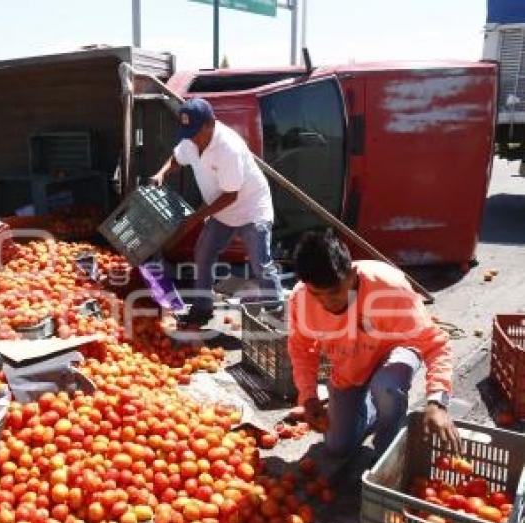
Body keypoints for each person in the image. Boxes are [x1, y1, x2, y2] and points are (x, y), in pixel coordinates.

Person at [287, 230, 459, 461]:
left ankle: (387, 451)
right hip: (351, 367)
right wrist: (308, 397)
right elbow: (301, 348)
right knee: (337, 448)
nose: (327, 302)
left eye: (335, 292)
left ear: (353, 273)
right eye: (317, 294)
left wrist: (437, 401)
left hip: (397, 349)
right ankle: (374, 409)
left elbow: (435, 344)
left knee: (387, 387)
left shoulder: (388, 286)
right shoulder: (300, 298)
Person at [150, 98, 282, 328]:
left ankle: (276, 312)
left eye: (195, 132)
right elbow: (176, 158)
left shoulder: (228, 147)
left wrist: (196, 218)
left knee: (260, 263)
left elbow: (231, 195)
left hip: (251, 209)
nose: (191, 138)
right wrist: (162, 173)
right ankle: (202, 308)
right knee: (203, 254)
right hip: (222, 212)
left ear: (210, 124)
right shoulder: (190, 141)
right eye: (187, 132)